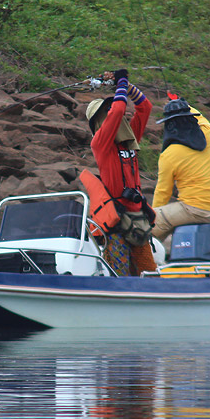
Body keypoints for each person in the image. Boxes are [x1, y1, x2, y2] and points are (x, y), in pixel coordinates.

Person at [85, 69, 157, 277]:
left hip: (139, 219)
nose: (114, 113)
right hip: (116, 224)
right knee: (119, 277)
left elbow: (145, 107)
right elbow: (117, 112)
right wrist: (121, 83)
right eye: (105, 111)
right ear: (99, 120)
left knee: (149, 276)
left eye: (111, 106)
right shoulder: (100, 143)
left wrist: (126, 86)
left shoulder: (129, 138)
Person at [151, 97, 210, 244]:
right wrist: (183, 103)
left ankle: (147, 263)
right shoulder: (209, 133)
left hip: (198, 211)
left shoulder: (169, 154)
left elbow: (163, 192)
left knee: (147, 228)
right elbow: (200, 117)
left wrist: (154, 217)